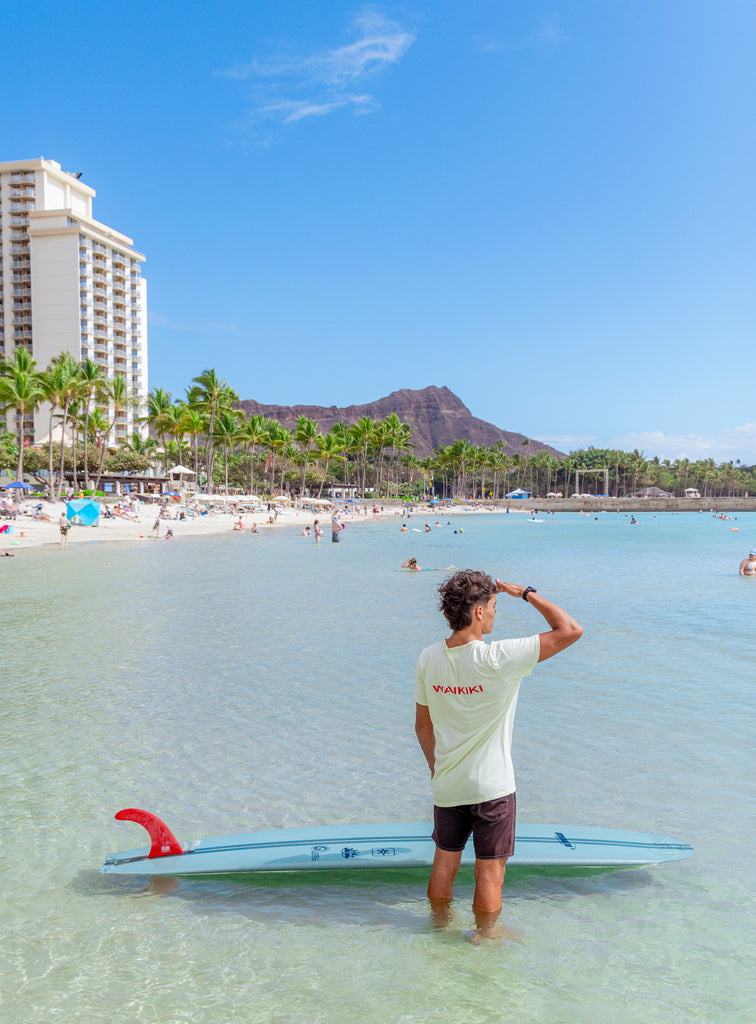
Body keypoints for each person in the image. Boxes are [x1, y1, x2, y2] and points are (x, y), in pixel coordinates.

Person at [414, 569, 582, 942]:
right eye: (493, 606)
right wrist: (526, 594)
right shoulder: (499, 657)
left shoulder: (428, 658)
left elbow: (422, 727)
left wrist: (437, 771)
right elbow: (570, 629)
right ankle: (487, 935)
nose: (494, 613)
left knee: (445, 863)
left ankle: (438, 930)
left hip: (448, 784)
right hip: (492, 787)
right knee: (490, 874)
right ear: (477, 612)